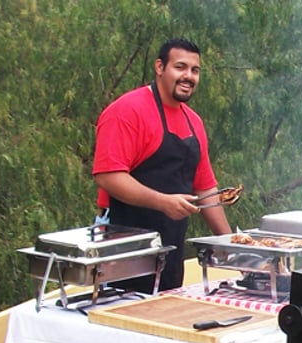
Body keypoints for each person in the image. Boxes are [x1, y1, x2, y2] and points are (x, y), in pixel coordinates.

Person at [93, 37, 231, 292]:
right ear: (159, 67)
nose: (188, 76)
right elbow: (108, 176)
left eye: (195, 70)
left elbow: (206, 189)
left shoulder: (194, 122)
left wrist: (232, 245)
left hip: (171, 245)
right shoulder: (127, 111)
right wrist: (162, 202)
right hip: (122, 246)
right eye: (180, 67)